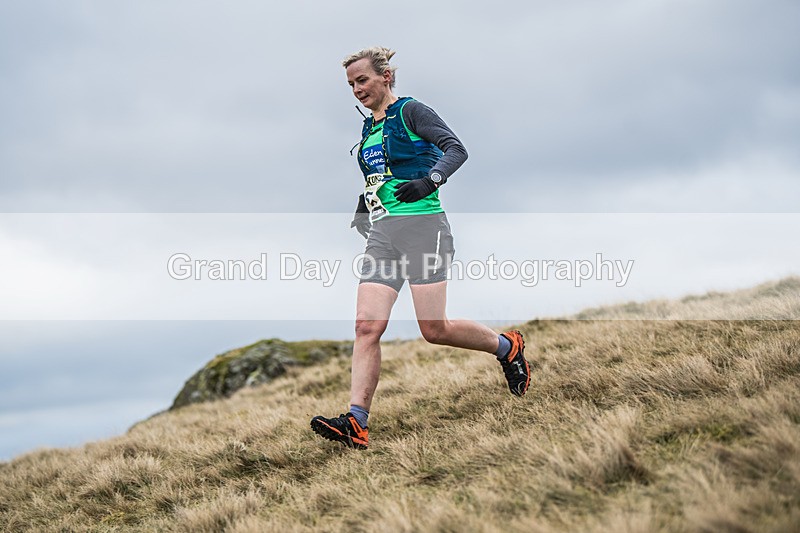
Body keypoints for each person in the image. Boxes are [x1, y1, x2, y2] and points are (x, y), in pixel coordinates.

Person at [311, 47, 530, 450]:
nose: (357, 90)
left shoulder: (412, 112)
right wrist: (364, 205)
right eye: (351, 85)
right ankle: (356, 421)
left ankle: (507, 346)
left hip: (425, 228)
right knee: (366, 326)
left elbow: (455, 149)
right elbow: (379, 174)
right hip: (383, 235)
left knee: (434, 329)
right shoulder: (368, 129)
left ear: (386, 76)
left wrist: (431, 180)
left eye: (363, 80)